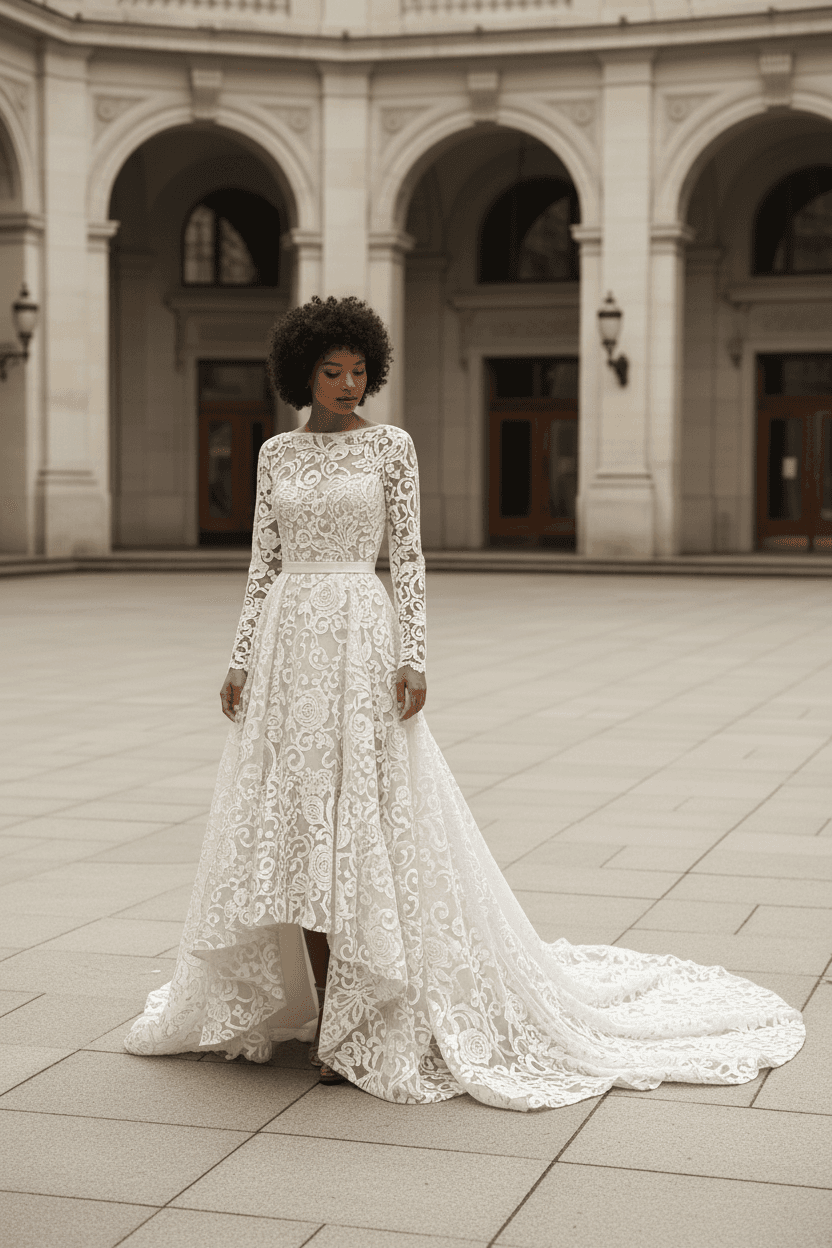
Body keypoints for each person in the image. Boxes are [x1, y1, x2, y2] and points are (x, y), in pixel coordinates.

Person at [125, 295, 805, 1109]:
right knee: (298, 825)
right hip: (287, 649)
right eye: (333, 371)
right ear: (302, 373)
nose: (350, 384)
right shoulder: (276, 454)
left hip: (360, 638)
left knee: (360, 821)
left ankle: (355, 1019)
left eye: (360, 370)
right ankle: (321, 1003)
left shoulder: (391, 446)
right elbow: (262, 565)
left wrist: (413, 653)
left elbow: (408, 556)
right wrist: (240, 659)